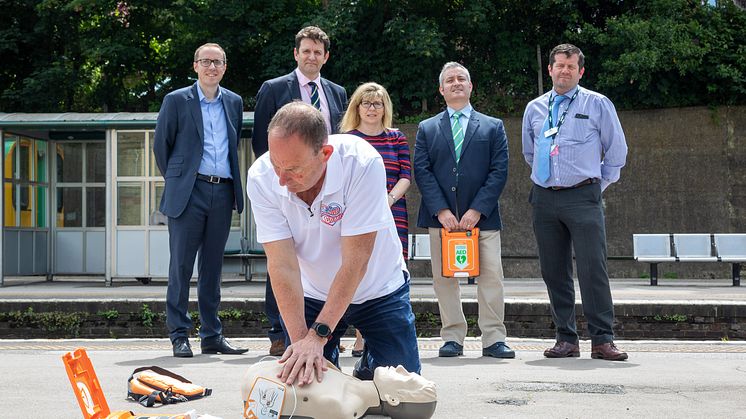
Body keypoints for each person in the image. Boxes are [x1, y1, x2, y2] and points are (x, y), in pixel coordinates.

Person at [246, 102, 420, 385]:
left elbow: (355, 261)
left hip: (377, 286)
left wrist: (319, 336)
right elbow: (281, 265)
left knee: (405, 395)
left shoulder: (362, 163)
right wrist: (303, 342)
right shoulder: (262, 177)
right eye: (276, 164)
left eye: (292, 169)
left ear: (325, 154)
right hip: (313, 290)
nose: (280, 179)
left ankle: (371, 363)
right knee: (305, 390)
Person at [521, 43, 629, 361]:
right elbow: (531, 152)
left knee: (592, 268)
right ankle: (566, 338)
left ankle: (602, 339)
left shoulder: (597, 104)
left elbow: (617, 152)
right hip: (544, 197)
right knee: (554, 271)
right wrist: (546, 175)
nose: (564, 70)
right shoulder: (535, 108)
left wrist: (596, 185)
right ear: (550, 69)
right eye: (559, 65)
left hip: (584, 194)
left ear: (580, 71)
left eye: (571, 66)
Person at [252, 25, 348, 357]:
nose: (311, 56)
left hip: (326, 189)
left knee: (326, 257)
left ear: (326, 57)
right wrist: (284, 178)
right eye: (305, 51)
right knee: (281, 259)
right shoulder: (274, 88)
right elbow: (261, 145)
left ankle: (331, 327)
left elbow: (340, 140)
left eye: (317, 52)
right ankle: (279, 332)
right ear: (296, 54)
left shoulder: (336, 92)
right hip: (286, 186)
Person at [153, 43, 248, 357]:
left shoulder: (233, 102)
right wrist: (181, 181)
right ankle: (179, 334)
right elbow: (161, 147)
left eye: (218, 62)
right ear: (195, 66)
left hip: (222, 191)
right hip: (189, 193)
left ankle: (211, 335)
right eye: (206, 61)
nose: (212, 67)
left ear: (224, 67)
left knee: (213, 267)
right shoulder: (176, 100)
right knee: (180, 266)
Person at [414, 62, 514, 359]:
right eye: (450, 80)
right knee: (444, 279)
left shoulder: (492, 126)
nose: (456, 83)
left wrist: (476, 210)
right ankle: (452, 337)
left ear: (471, 87)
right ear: (441, 90)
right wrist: (442, 211)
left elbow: (499, 171)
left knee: (492, 277)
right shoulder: (427, 128)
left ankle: (494, 337)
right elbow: (423, 170)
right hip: (441, 219)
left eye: (461, 79)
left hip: (482, 219)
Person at [340, 82, 412, 357]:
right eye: (366, 103)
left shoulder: (396, 138)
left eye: (377, 103)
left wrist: (388, 200)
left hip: (392, 214)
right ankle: (361, 338)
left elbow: (406, 175)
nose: (372, 108)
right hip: (357, 216)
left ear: (385, 108)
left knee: (390, 272)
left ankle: (383, 337)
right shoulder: (348, 139)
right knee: (360, 269)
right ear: (357, 107)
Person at [241, 361, 437, 419]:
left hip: (259, 386)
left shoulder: (342, 404)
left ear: (393, 399)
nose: (401, 368)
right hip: (260, 380)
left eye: (406, 378)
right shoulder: (350, 388)